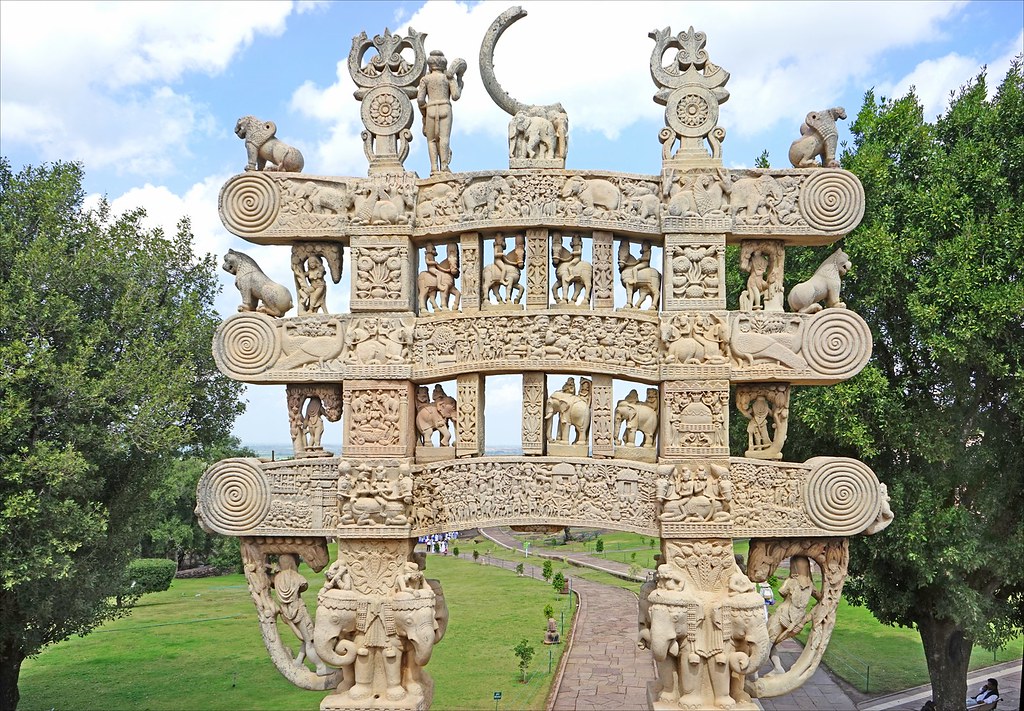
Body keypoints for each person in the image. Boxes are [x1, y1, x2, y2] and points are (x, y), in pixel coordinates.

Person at [417, 50, 465, 174]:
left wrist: (424, 112)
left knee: (431, 140)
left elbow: (420, 100)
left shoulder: (425, 79)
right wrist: (459, 82)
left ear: (430, 66)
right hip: (445, 107)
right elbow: (455, 96)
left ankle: (434, 168)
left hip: (431, 108)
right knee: (444, 138)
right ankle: (444, 166)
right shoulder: (448, 78)